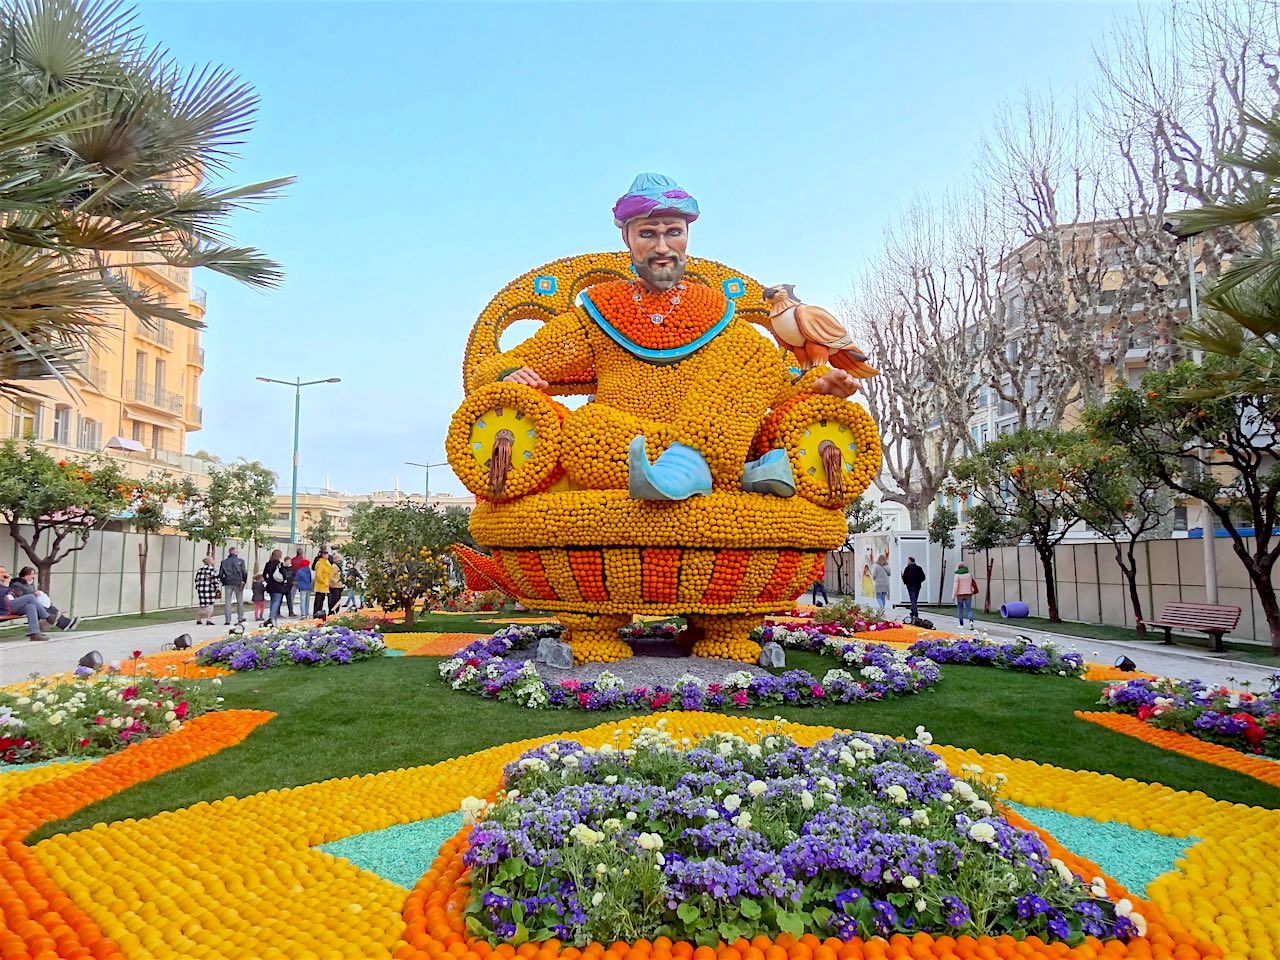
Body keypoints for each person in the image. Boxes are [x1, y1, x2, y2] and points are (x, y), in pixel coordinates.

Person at [474, 172, 861, 502]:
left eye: (672, 232)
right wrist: (509, 373)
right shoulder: (598, 311)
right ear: (628, 238)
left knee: (751, 348)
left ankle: (692, 463)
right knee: (583, 431)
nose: (662, 247)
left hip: (708, 429)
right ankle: (723, 469)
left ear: (686, 237)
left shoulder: (716, 310)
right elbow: (490, 367)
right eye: (648, 233)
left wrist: (818, 383)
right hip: (626, 446)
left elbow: (774, 384)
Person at [9, 567, 78, 631]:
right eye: (31, 574)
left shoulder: (30, 584)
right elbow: (20, 596)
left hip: (34, 603)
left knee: (51, 608)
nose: (33, 576)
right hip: (23, 606)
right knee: (45, 609)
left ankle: (67, 623)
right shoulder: (17, 584)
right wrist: (34, 594)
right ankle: (66, 623)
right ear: (24, 575)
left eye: (33, 574)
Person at [0, 566, 50, 640]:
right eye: (1, 572)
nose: (4, 574)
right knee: (30, 597)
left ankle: (35, 633)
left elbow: (10, 593)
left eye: (4, 571)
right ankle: (47, 616)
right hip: (4, 607)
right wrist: (6, 584)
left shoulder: (3, 583)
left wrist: (6, 585)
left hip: (9, 605)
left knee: (30, 606)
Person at [218, 546, 248, 625]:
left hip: (228, 582)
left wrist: (224, 581)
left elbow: (221, 574)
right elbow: (244, 572)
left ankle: (227, 620)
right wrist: (244, 581)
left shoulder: (224, 562)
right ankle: (240, 618)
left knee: (228, 601)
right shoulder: (241, 561)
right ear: (235, 552)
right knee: (239, 601)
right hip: (238, 582)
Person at [262, 549, 291, 627]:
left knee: (272, 601)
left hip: (270, 586)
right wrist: (284, 580)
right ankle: (272, 617)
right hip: (278, 586)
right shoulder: (280, 564)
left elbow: (264, 574)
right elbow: (284, 575)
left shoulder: (268, 564)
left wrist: (268, 580)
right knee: (277, 601)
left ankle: (272, 616)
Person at [194, 554, 220, 625]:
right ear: (209, 562)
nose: (213, 560)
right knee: (210, 603)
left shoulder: (200, 570)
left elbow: (196, 579)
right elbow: (216, 580)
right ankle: (209, 619)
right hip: (209, 589)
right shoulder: (212, 570)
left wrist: (198, 587)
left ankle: (199, 619)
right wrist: (216, 587)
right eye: (212, 559)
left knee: (202, 603)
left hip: (201, 589)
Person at [952, 563, 979, 628]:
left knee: (960, 609)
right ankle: (971, 621)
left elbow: (955, 586)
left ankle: (961, 624)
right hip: (968, 594)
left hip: (960, 595)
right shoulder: (969, 575)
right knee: (968, 609)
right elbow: (972, 584)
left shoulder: (957, 575)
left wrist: (953, 595)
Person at [287, 546, 309, 617]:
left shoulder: (292, 560)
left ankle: (291, 610)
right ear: (302, 553)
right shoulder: (304, 561)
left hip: (293, 579)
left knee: (292, 596)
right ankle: (304, 612)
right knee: (303, 598)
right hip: (302, 581)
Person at [312, 548, 333, 618]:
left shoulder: (327, 562)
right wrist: (324, 581)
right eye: (325, 554)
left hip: (325, 585)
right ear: (322, 555)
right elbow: (319, 575)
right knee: (318, 600)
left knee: (322, 600)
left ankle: (320, 614)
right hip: (321, 585)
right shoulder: (320, 563)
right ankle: (316, 614)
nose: (327, 555)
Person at [327, 550, 345, 614]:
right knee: (334, 600)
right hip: (334, 586)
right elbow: (330, 576)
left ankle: (336, 612)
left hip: (339, 586)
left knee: (338, 601)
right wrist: (337, 581)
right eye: (340, 559)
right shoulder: (333, 567)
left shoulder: (339, 567)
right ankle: (332, 612)